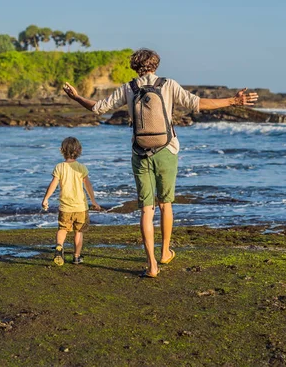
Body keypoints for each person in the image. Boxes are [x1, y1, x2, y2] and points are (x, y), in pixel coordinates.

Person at [62, 48, 257, 277]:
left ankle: (152, 265)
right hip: (167, 149)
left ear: (135, 67)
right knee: (166, 204)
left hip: (140, 152)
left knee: (146, 210)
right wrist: (233, 101)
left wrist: (76, 97)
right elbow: (197, 104)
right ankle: (165, 252)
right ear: (156, 65)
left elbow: (97, 108)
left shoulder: (128, 88)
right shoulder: (168, 84)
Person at [42, 136, 101, 266]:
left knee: (62, 229)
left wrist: (46, 199)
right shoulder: (81, 167)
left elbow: (53, 184)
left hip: (65, 207)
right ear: (79, 151)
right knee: (79, 232)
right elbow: (88, 186)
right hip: (80, 207)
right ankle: (76, 257)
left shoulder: (59, 167)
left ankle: (59, 247)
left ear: (62, 151)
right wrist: (94, 201)